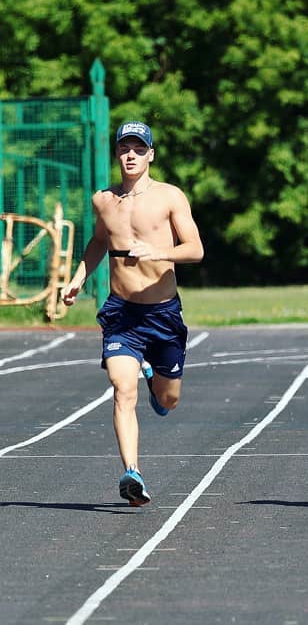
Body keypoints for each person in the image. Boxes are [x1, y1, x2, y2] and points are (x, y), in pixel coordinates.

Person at [61, 120, 204, 507]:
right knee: (122, 390)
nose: (130, 155)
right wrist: (77, 278)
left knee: (168, 399)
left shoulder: (170, 196)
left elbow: (195, 249)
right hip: (122, 313)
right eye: (124, 148)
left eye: (138, 149)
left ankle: (158, 387)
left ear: (150, 155)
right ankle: (132, 473)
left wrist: (159, 253)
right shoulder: (103, 200)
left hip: (162, 314)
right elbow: (98, 242)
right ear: (117, 154)